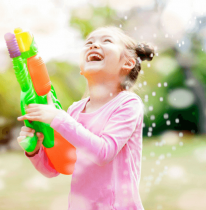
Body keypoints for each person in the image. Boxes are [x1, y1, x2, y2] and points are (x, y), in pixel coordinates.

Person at [16, 25, 155, 210]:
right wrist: (35, 150)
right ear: (82, 68)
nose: (93, 45)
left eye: (106, 41)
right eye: (88, 42)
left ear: (127, 63)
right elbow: (57, 168)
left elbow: (103, 152)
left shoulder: (128, 104)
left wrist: (58, 118)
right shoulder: (75, 110)